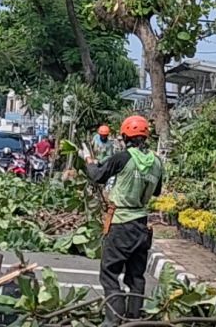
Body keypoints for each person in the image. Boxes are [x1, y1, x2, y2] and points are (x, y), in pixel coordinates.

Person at [82, 116, 163, 326]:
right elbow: (157, 192)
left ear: (125, 136)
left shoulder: (124, 157)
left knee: (109, 273)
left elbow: (98, 176)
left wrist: (89, 162)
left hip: (120, 223)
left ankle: (114, 319)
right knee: (136, 276)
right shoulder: (157, 162)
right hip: (142, 225)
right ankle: (133, 320)